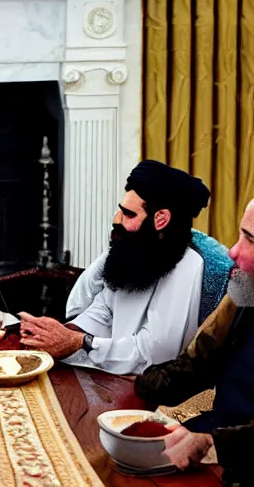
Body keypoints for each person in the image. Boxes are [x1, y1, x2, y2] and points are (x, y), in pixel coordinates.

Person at [19, 160, 210, 375]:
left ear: (161, 219)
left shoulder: (187, 267)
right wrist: (59, 334)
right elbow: (104, 308)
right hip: (113, 375)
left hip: (150, 387)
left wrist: (79, 342)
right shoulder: (136, 252)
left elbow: (153, 354)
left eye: (129, 214)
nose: (116, 220)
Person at [134, 199, 254, 485]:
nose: (234, 251)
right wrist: (138, 385)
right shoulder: (246, 287)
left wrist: (213, 444)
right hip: (215, 430)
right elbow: (198, 362)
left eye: (250, 240)